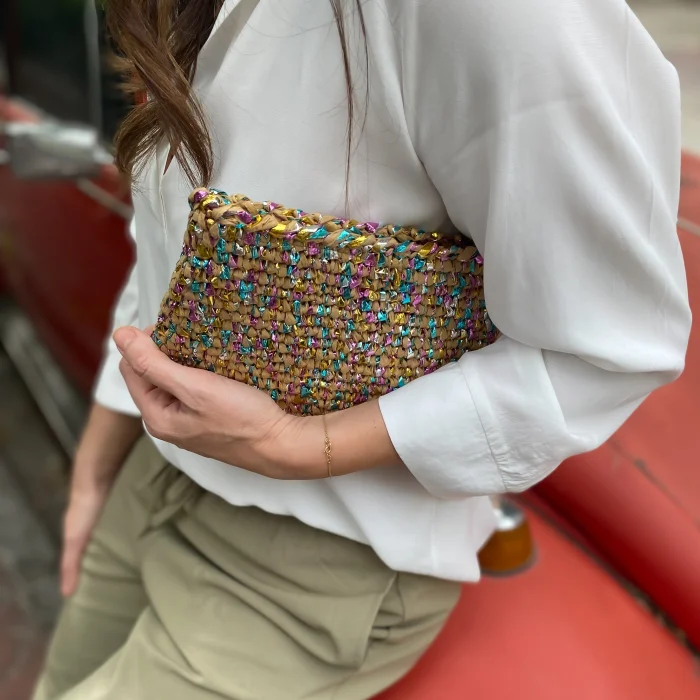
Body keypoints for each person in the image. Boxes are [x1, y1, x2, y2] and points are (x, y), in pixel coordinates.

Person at [34, 1, 691, 698]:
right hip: (155, 475)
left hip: (320, 553)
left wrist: (297, 444)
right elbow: (168, 252)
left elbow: (611, 344)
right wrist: (96, 470)